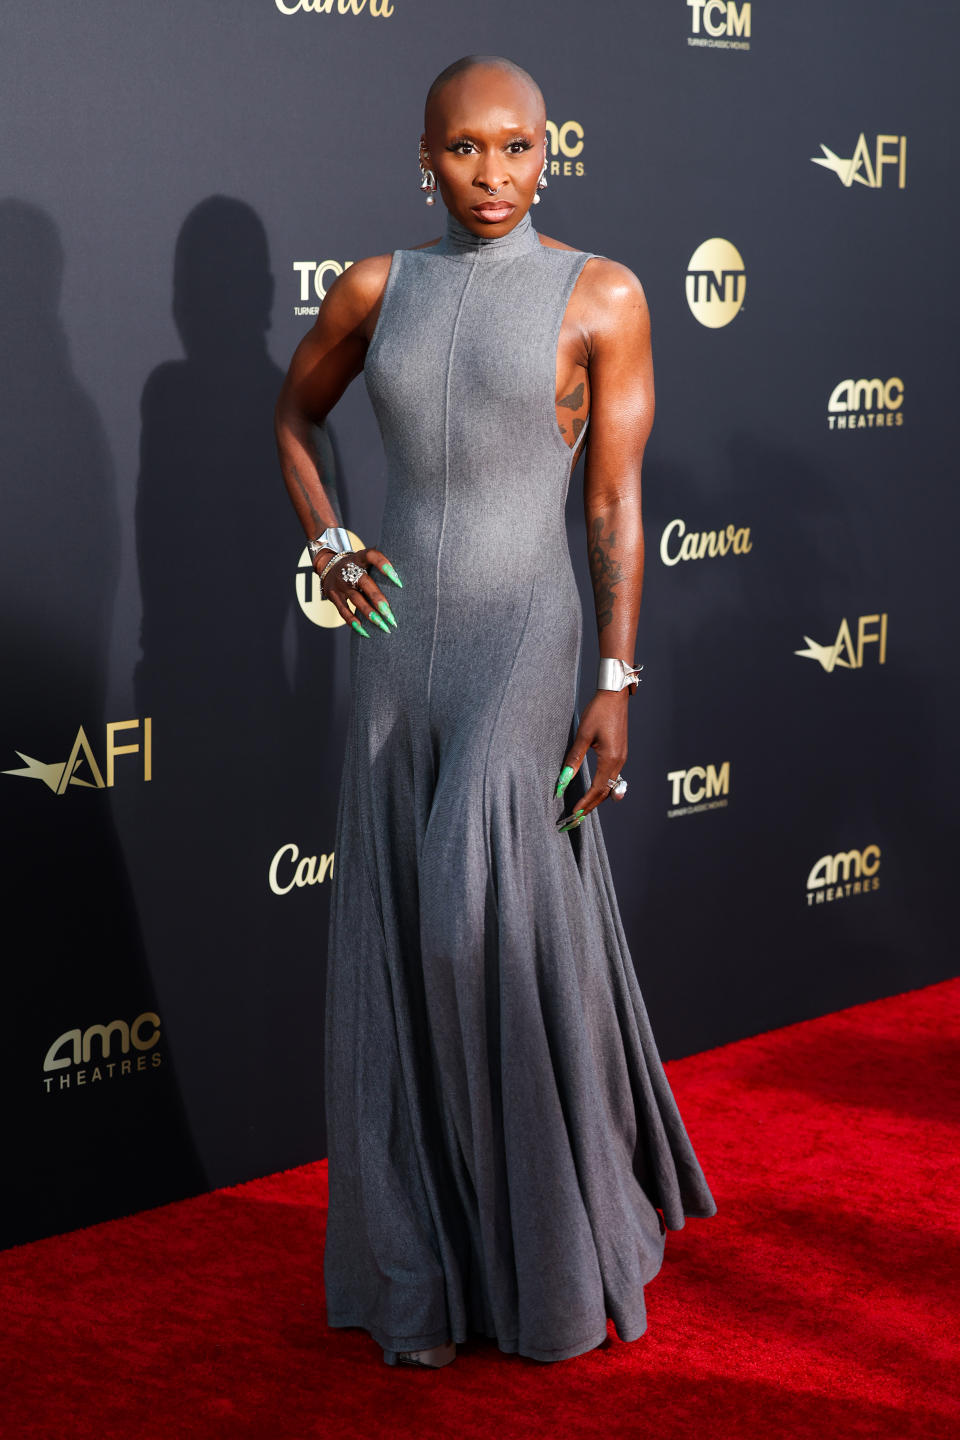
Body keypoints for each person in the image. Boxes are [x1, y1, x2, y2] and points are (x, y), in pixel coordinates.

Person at [274, 54, 718, 1370]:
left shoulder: (604, 294)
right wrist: (329, 544)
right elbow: (297, 419)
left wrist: (616, 684)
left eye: (518, 149)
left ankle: (553, 1253)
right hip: (396, 647)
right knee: (401, 945)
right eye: (466, 149)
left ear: (548, 154)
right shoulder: (374, 289)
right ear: (424, 154)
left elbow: (613, 505)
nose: (493, 175)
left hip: (530, 637)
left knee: (476, 929)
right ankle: (431, 1270)